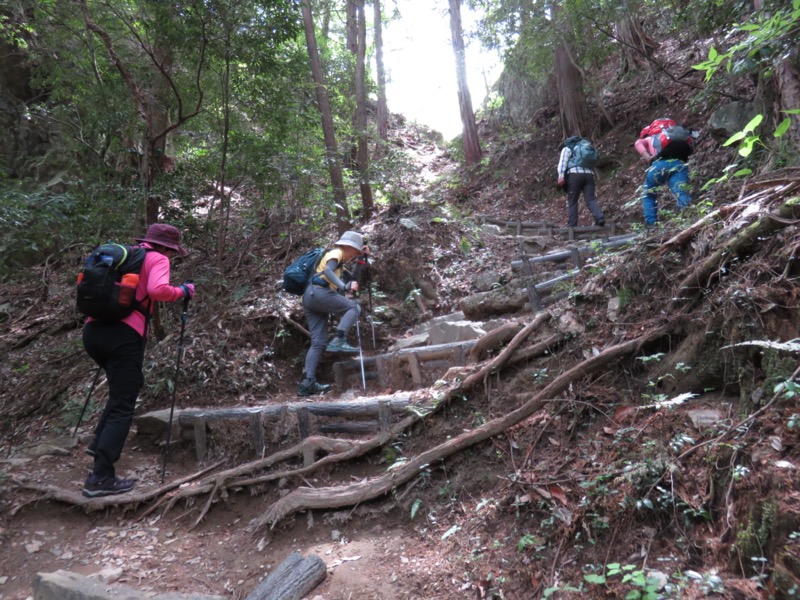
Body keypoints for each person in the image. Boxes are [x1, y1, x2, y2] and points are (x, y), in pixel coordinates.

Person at [82, 223, 195, 497]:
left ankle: (99, 443)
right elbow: (158, 290)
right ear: (168, 247)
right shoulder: (158, 258)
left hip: (93, 332)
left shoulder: (125, 256)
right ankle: (100, 478)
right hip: (124, 335)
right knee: (123, 404)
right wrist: (183, 292)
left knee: (122, 391)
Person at [298, 230, 369, 397]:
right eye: (355, 252)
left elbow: (352, 280)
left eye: (357, 253)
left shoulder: (341, 265)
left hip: (311, 297)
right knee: (353, 308)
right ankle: (338, 339)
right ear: (348, 247)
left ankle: (307, 383)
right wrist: (344, 287)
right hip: (319, 292)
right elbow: (328, 272)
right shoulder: (336, 252)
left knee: (318, 342)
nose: (354, 255)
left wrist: (361, 260)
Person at [634, 119, 694, 226]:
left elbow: (638, 143)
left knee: (648, 195)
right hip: (679, 163)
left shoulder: (649, 138)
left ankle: (652, 225)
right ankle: (688, 219)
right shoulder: (674, 135)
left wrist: (648, 157)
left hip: (659, 165)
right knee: (681, 190)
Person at [557, 137, 605, 227]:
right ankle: (600, 217)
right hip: (589, 175)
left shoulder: (567, 148)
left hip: (575, 175)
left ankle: (572, 225)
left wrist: (561, 176)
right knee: (590, 199)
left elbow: (563, 162)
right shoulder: (584, 147)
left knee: (573, 201)